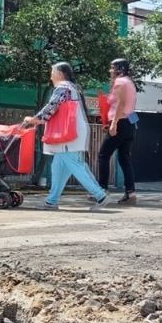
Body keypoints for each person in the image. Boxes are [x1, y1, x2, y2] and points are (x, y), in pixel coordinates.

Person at [23, 62, 110, 211]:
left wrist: (34, 119)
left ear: (60, 73)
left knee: (76, 166)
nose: (50, 75)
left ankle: (100, 196)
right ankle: (52, 201)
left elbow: (52, 106)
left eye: (52, 71)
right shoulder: (72, 88)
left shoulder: (63, 88)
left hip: (68, 135)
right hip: (70, 133)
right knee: (58, 167)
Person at [98, 58, 138, 205]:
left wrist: (113, 123)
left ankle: (101, 190)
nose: (110, 71)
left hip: (120, 122)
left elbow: (120, 103)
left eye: (112, 67)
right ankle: (130, 192)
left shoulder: (120, 82)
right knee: (124, 158)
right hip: (130, 123)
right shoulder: (130, 82)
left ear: (119, 69)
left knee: (103, 155)